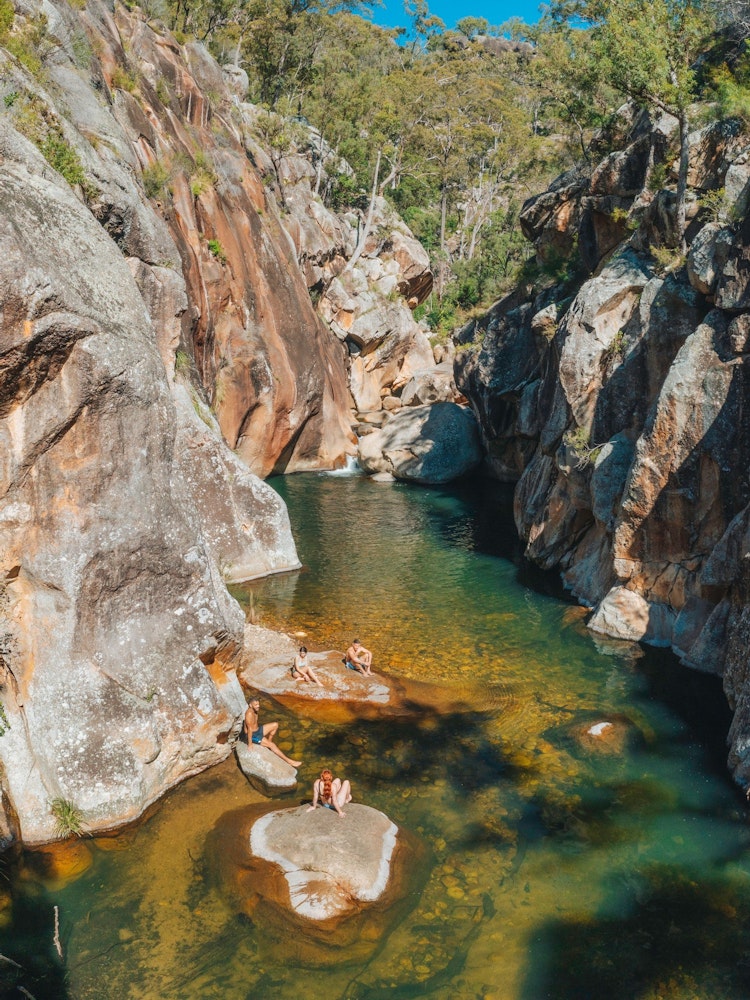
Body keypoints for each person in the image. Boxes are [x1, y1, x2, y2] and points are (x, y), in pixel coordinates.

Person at [243, 696, 301, 768]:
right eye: (256, 705)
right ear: (250, 705)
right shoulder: (249, 714)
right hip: (253, 735)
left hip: (258, 730)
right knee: (272, 745)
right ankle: (290, 762)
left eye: (258, 704)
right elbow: (250, 729)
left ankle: (269, 743)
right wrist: (250, 744)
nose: (258, 706)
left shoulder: (255, 710)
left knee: (275, 725)